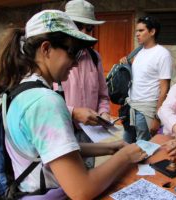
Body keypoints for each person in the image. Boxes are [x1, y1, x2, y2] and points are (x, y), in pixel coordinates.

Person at [0, 10, 147, 200]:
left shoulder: (20, 90)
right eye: (72, 52)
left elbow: (48, 151)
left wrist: (111, 148)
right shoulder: (45, 102)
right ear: (46, 49)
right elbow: (81, 190)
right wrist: (126, 156)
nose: (75, 63)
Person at [53, 0, 110, 169]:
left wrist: (104, 113)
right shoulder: (54, 58)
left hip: (89, 132)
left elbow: (103, 95)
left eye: (89, 28)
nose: (84, 32)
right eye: (79, 26)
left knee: (88, 174)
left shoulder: (94, 57)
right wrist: (73, 113)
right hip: (61, 132)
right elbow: (42, 100)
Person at [120, 16, 173, 143]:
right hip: (131, 105)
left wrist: (157, 117)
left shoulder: (162, 54)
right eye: (136, 31)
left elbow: (165, 87)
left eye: (141, 30)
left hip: (146, 109)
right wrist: (126, 64)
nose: (137, 34)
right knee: (125, 143)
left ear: (152, 32)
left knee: (142, 147)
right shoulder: (138, 52)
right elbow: (140, 76)